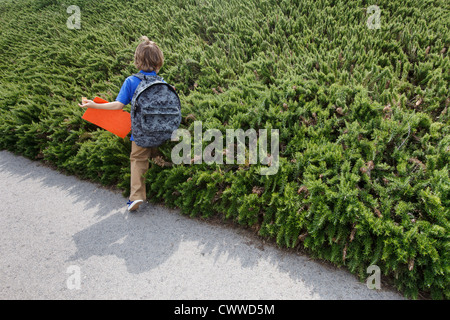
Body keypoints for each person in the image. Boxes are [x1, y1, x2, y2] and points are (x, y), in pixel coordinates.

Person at [79, 36, 164, 212]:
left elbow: (118, 105)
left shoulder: (131, 81)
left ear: (137, 61)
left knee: (138, 159)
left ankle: (137, 197)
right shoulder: (162, 82)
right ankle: (162, 188)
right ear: (159, 61)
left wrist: (94, 105)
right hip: (160, 130)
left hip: (140, 132)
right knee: (158, 157)